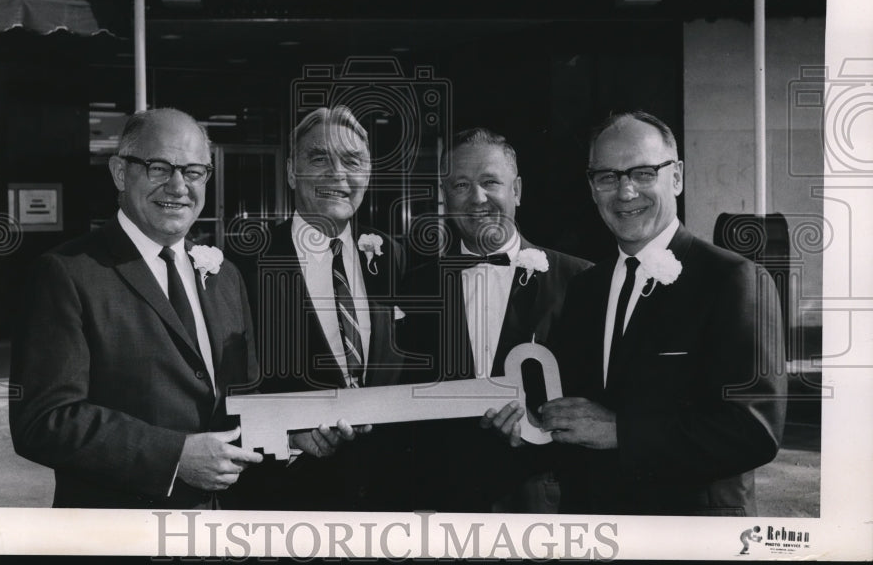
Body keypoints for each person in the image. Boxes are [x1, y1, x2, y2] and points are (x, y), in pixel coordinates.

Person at [8, 108, 266, 508]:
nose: (178, 186)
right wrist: (174, 457)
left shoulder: (224, 275)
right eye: (159, 168)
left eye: (194, 171)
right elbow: (44, 420)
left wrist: (289, 432)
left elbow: (241, 399)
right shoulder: (66, 273)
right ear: (119, 172)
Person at [540, 111, 786, 515]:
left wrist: (622, 431)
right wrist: (533, 423)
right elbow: (579, 410)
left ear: (677, 177)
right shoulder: (584, 287)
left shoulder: (733, 280)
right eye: (607, 176)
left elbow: (754, 430)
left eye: (642, 173)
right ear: (592, 188)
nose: (625, 192)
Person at [399, 127, 591, 512]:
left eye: (490, 182)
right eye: (461, 185)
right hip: (441, 507)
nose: (477, 198)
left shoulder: (580, 280)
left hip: (543, 505)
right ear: (445, 196)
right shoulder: (414, 285)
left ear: (516, 191)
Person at [232, 105, 407, 510]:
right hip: (287, 504)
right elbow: (223, 396)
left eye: (352, 161)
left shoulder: (392, 257)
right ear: (292, 171)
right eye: (319, 158)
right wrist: (289, 435)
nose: (338, 174)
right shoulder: (243, 266)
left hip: (386, 503)